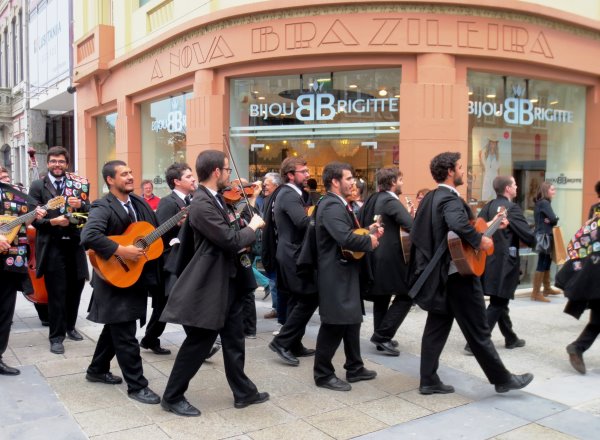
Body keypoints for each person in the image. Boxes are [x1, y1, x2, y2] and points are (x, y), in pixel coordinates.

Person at [409, 151, 533, 395]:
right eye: (460, 167)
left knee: (436, 327)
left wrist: (489, 227)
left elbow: (447, 233)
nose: (463, 171)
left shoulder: (431, 198)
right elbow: (457, 224)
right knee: (479, 330)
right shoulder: (450, 199)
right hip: (460, 276)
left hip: (444, 274)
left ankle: (428, 380)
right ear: (449, 172)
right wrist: (479, 241)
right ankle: (502, 379)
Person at [159, 150, 269, 417]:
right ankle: (172, 397)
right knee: (199, 341)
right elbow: (229, 240)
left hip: (229, 281)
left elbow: (232, 228)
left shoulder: (217, 199)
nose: (230, 175)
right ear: (217, 172)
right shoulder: (201, 204)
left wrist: (246, 211)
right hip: (211, 282)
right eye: (227, 170)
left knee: (234, 340)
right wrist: (253, 228)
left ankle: (243, 392)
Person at [80, 160, 161, 405]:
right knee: (126, 334)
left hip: (132, 277)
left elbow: (150, 231)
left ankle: (97, 369)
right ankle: (137, 386)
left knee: (115, 328)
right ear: (110, 180)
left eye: (131, 172)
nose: (130, 176)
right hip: (112, 277)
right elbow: (89, 236)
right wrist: (121, 250)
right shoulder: (102, 206)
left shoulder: (137, 203)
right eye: (123, 174)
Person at [313, 162, 383, 391]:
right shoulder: (332, 206)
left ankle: (355, 366)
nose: (353, 182)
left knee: (352, 320)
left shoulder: (340, 205)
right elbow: (345, 238)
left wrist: (369, 231)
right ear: (335, 181)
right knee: (334, 323)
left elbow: (349, 235)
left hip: (344, 271)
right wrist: (369, 241)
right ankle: (323, 374)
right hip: (335, 273)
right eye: (349, 178)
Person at [29, 146, 90, 354]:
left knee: (76, 287)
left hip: (74, 243)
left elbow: (88, 212)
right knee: (56, 292)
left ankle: (70, 327)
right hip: (52, 245)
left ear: (67, 163)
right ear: (48, 163)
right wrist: (52, 222)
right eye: (54, 161)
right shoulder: (38, 185)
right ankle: (56, 336)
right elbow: (33, 218)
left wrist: (81, 204)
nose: (57, 165)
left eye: (61, 161)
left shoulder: (77, 183)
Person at [465, 176, 535, 354]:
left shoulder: (488, 206)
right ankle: (476, 343)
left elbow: (478, 228)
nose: (517, 186)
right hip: (505, 261)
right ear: (507, 189)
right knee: (498, 301)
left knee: (500, 299)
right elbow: (528, 236)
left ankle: (511, 338)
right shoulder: (512, 209)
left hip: (488, 259)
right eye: (514, 184)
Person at [140, 163, 196, 355]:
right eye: (188, 176)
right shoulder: (168, 202)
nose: (193, 179)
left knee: (164, 307)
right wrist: (176, 226)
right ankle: (199, 345)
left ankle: (149, 338)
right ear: (177, 181)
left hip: (184, 260)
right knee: (177, 304)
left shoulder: (192, 200)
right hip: (169, 263)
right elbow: (158, 236)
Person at [268, 157, 317, 366]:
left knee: (298, 300)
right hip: (292, 254)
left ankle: (294, 343)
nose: (307, 175)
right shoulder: (288, 194)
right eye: (303, 171)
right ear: (290, 175)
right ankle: (282, 342)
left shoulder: (293, 194)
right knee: (309, 297)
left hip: (292, 252)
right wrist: (323, 215)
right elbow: (303, 223)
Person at [359, 168, 413, 356]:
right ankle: (382, 335)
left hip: (373, 254)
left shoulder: (373, 198)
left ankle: (382, 337)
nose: (402, 184)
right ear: (392, 182)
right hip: (389, 258)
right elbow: (410, 225)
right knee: (407, 295)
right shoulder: (390, 200)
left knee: (382, 297)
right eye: (400, 180)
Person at [1, 181, 46, 375]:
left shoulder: (14, 195)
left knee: (4, 313)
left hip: (10, 263)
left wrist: (33, 217)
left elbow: (22, 223)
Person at [555, 214, 600, 374]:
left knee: (597, 320)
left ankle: (577, 347)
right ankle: (577, 347)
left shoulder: (594, 220)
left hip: (592, 278)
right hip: (595, 278)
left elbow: (575, 245)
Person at [532, 181, 560, 302]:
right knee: (543, 262)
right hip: (544, 236)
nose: (554, 192)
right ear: (546, 191)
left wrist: (552, 219)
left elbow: (552, 219)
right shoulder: (544, 203)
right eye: (552, 190)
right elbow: (554, 219)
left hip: (544, 235)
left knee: (547, 261)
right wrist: (553, 219)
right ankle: (536, 293)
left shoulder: (542, 203)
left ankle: (547, 288)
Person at [261, 172, 282, 321]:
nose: (263, 187)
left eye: (266, 184)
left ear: (276, 185)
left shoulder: (278, 200)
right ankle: (277, 308)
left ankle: (279, 309)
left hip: (277, 249)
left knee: (276, 282)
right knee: (273, 281)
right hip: (270, 247)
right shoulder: (267, 199)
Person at [479, 136, 500, 201]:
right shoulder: (485, 153)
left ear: (496, 144)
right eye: (491, 142)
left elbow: (498, 168)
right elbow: (483, 166)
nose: (493, 144)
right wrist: (480, 157)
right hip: (487, 176)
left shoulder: (498, 155)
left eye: (494, 142)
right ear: (489, 143)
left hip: (495, 176)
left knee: (495, 194)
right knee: (485, 194)